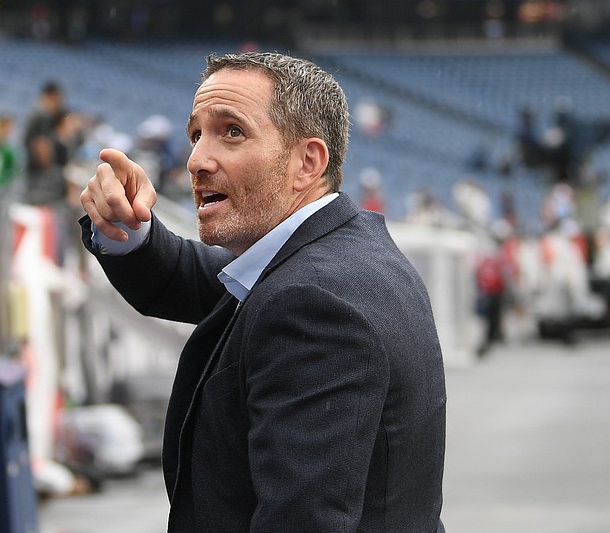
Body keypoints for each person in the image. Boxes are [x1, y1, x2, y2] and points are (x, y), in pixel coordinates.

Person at [79, 52, 446, 532]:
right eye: (195, 135)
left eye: (231, 131)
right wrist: (126, 228)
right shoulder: (341, 254)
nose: (196, 160)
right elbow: (201, 279)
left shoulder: (312, 304)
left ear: (307, 162)